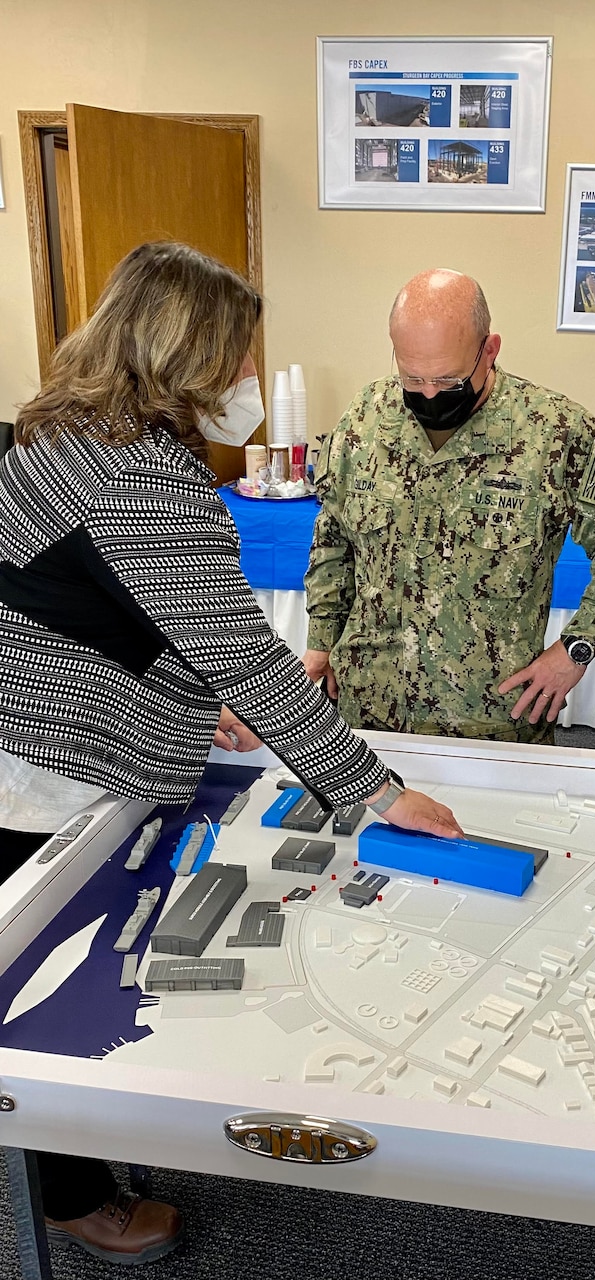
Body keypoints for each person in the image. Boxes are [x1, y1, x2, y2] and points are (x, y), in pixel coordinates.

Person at [0, 241, 463, 1264]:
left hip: (32, 716)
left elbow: (104, 605)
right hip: (41, 757)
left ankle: (83, 1149)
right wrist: (371, 791)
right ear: (188, 352)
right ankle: (73, 1197)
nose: (248, 381)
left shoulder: (59, 427)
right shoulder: (142, 473)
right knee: (37, 980)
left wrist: (187, 696)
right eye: (239, 358)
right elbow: (246, 656)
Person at [303, 268, 595, 742]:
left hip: (489, 719)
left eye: (448, 379)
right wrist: (320, 642)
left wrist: (575, 649)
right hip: (367, 709)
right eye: (412, 377)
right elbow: (333, 536)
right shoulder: (366, 419)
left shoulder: (553, 433)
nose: (430, 394)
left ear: (490, 349)